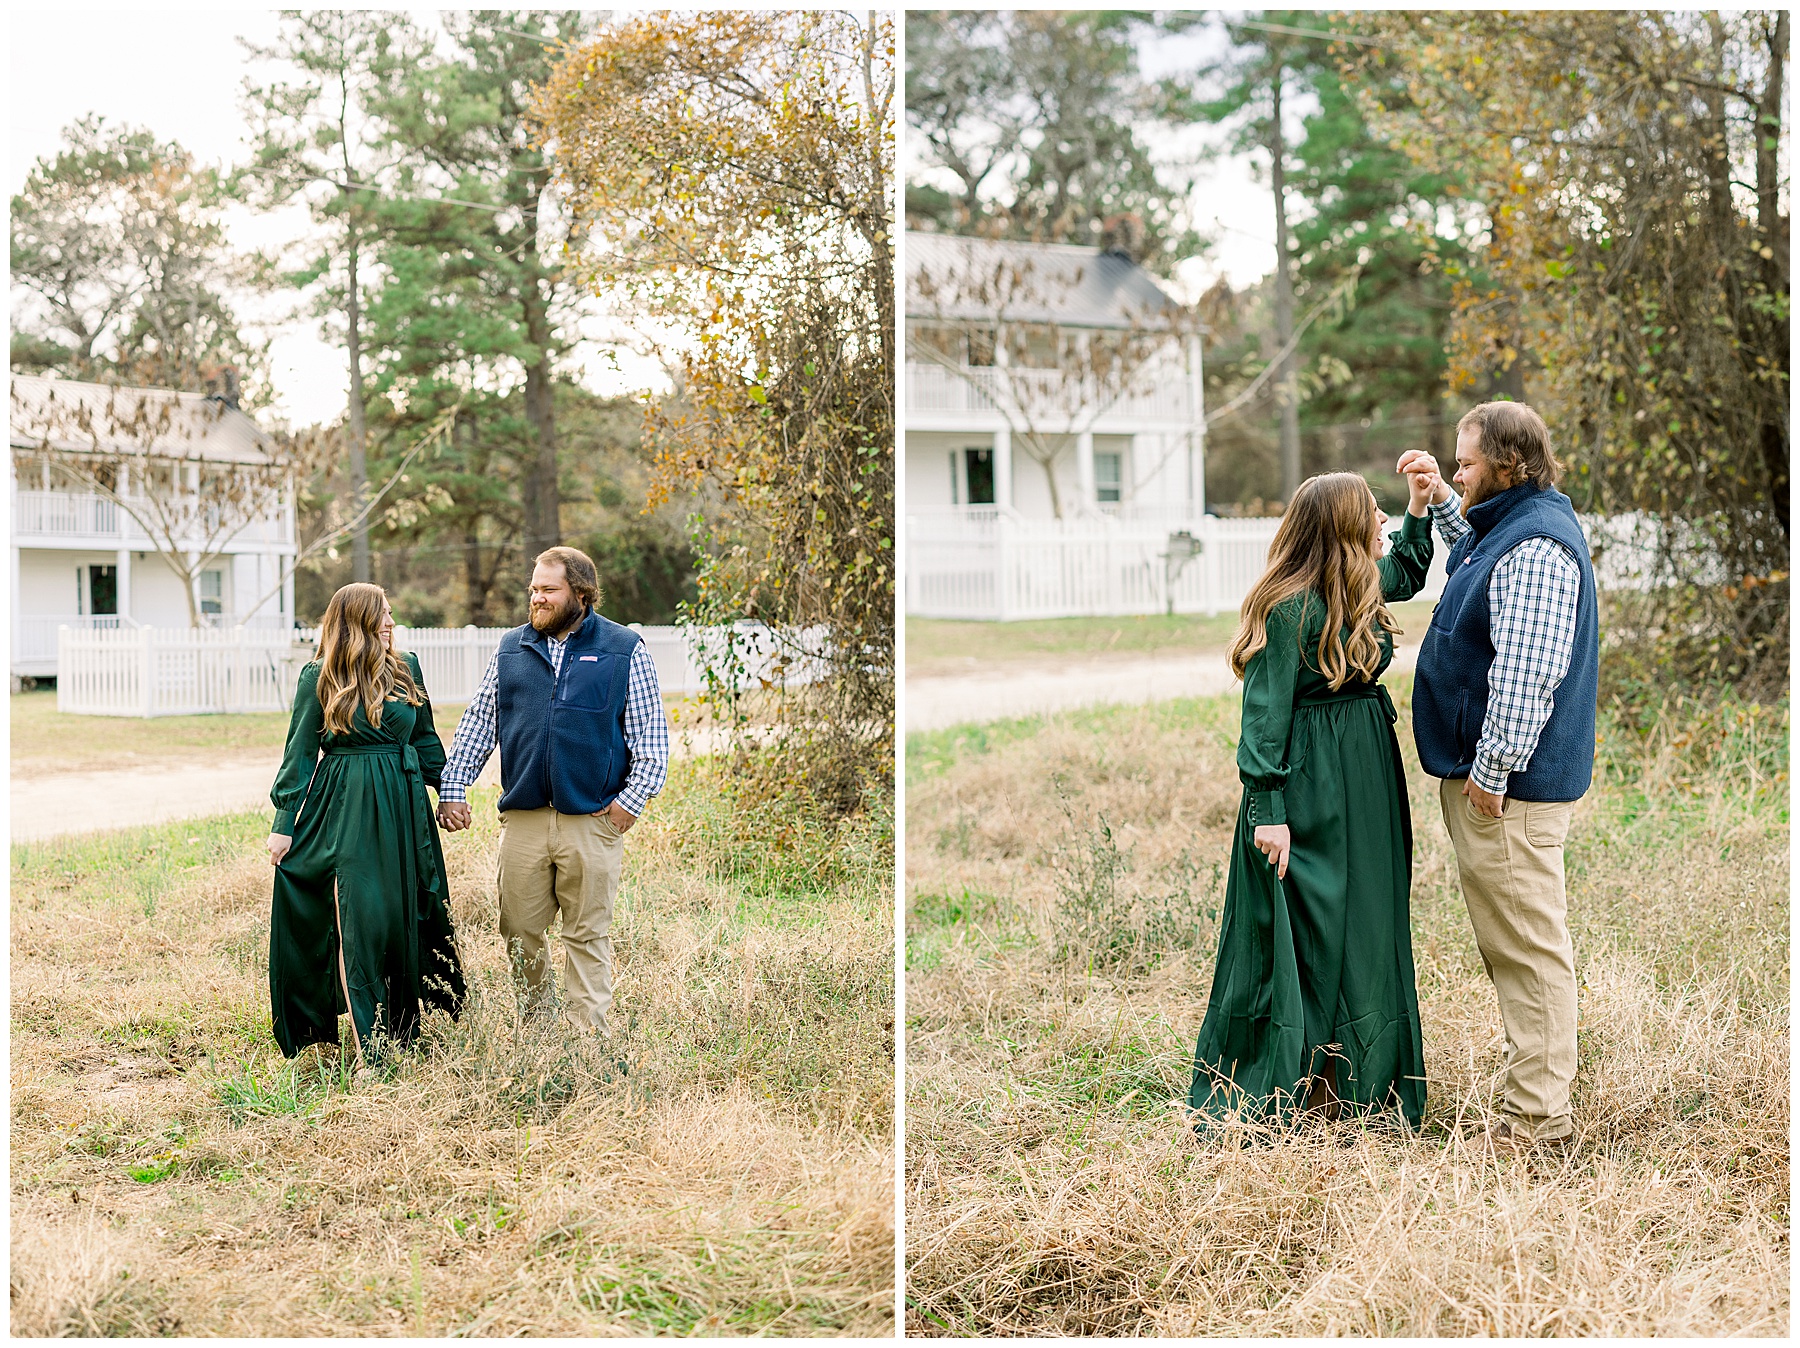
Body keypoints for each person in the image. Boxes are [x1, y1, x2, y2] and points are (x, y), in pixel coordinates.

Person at [1189, 469, 1437, 1135]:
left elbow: (1410, 571)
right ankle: (1303, 1086)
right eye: (1375, 511)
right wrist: (1267, 811)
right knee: (1313, 928)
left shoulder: (1358, 586)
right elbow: (1262, 718)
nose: (1382, 518)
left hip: (1366, 771)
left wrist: (1420, 508)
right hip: (1309, 780)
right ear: (1343, 526)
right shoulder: (1292, 606)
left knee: (1366, 920)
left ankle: (1363, 1084)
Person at [1397, 402, 1599, 1154]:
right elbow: (1478, 555)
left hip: (1508, 791)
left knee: (1527, 949)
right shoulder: (1513, 526)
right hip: (1499, 786)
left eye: (1466, 462)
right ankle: (1532, 1102)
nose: (1457, 470)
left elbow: (1527, 673)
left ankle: (1538, 1125)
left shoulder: (1538, 547)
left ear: (1508, 466)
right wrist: (1444, 503)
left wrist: (1491, 771)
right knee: (1514, 943)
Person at [435, 546, 669, 1035]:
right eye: (533, 589)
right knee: (519, 932)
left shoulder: (623, 649)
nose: (536, 598)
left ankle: (587, 1041)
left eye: (548, 590)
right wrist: (454, 786)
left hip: (593, 821)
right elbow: (481, 722)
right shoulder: (511, 649)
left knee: (586, 936)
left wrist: (627, 806)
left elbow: (651, 739)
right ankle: (539, 1030)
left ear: (580, 595)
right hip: (523, 821)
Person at [267, 583, 465, 1060]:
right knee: (361, 915)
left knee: (400, 911)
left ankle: (401, 1031)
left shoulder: (406, 668)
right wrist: (284, 821)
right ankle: (366, 1042)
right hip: (346, 804)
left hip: (402, 802)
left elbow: (425, 737)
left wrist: (450, 794)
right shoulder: (319, 676)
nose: (391, 622)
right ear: (354, 620)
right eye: (382, 615)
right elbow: (300, 752)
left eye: (392, 613)